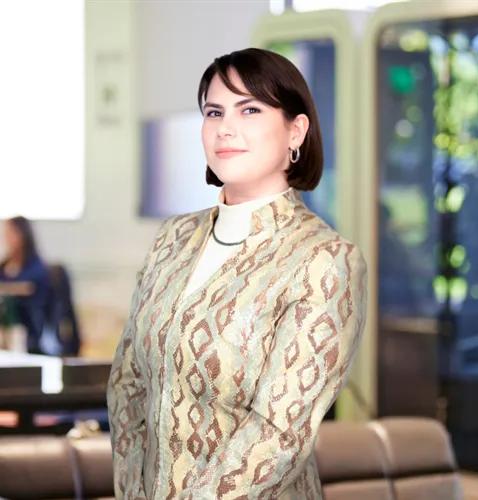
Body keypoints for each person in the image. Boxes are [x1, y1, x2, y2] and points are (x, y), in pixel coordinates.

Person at [107, 47, 368, 499]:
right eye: (214, 112)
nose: (225, 127)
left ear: (296, 130)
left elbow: (279, 434)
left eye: (249, 109)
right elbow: (127, 386)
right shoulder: (172, 239)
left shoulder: (324, 259)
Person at [0, 216, 51, 354]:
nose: (7, 238)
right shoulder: (4, 266)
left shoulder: (36, 267)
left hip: (29, 329)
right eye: (6, 234)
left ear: (23, 234)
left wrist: (7, 289)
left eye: (11, 233)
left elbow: (28, 288)